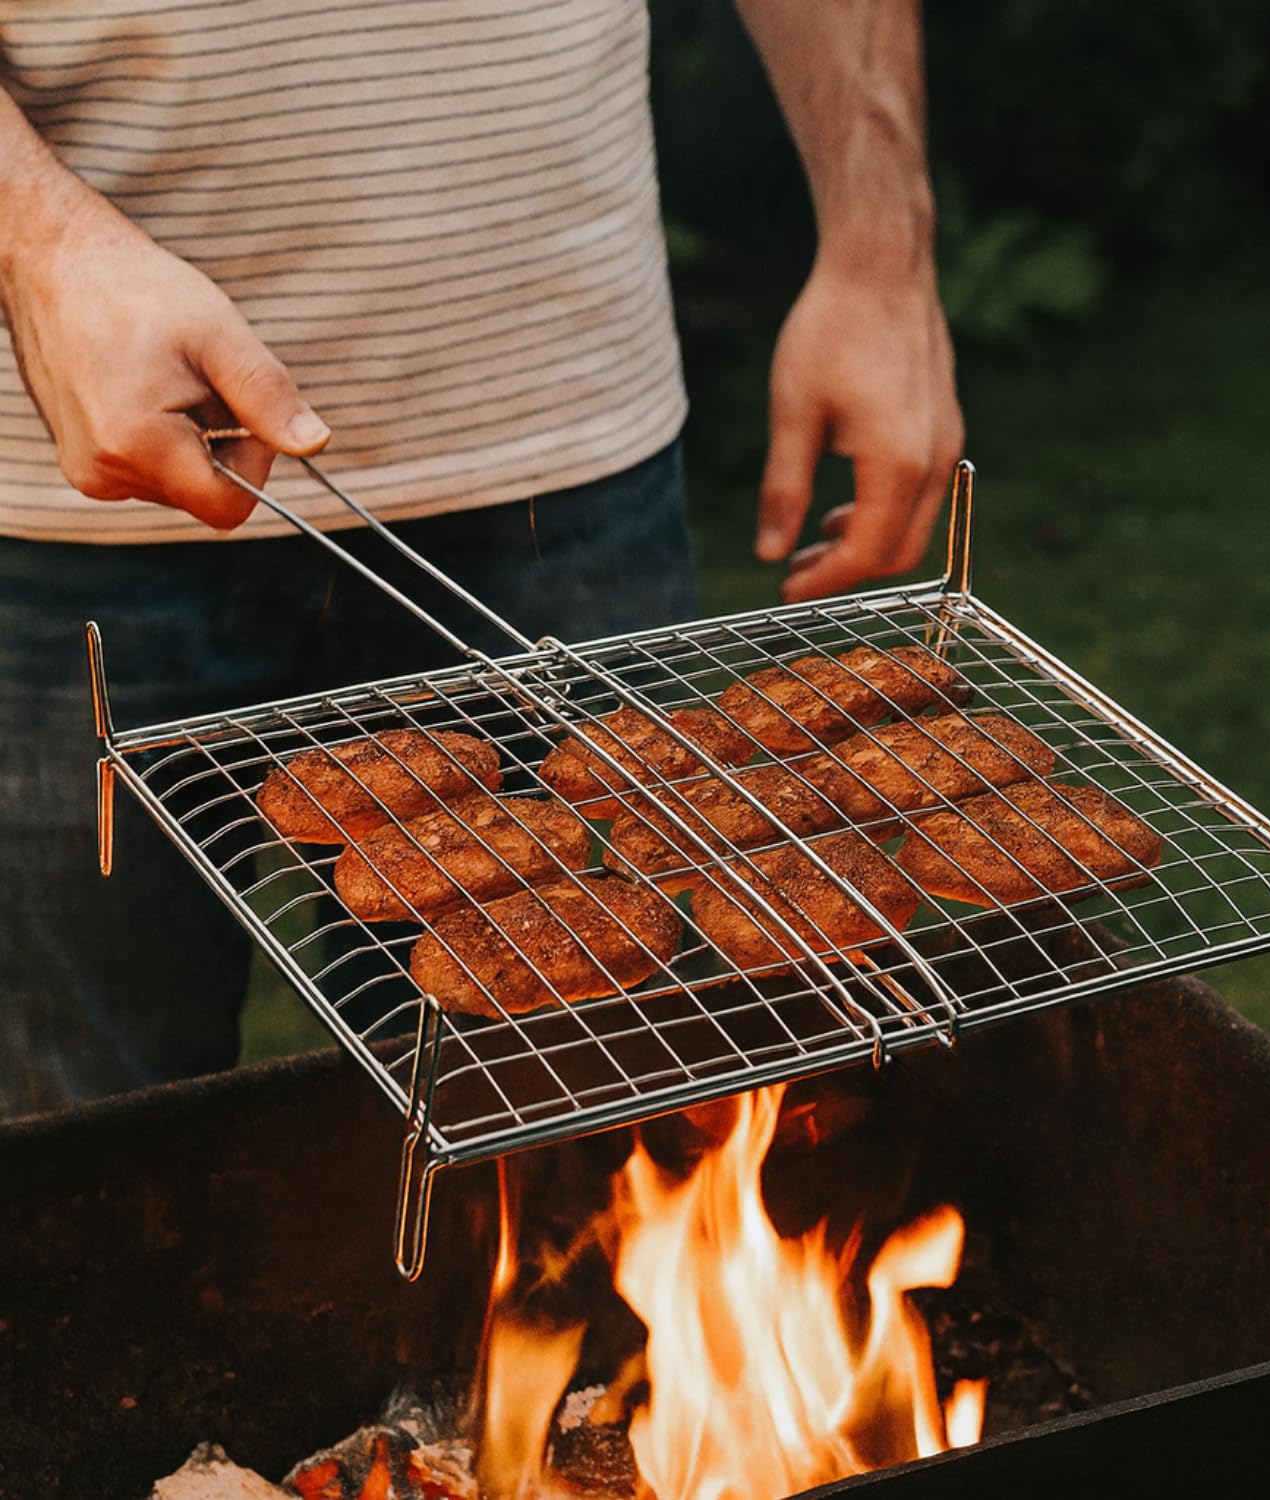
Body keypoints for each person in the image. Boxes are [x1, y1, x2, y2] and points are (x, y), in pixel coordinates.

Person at [0, 0, 963, 1115]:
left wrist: (880, 247)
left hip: (563, 448)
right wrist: (40, 242)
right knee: (90, 1151)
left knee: (600, 1128)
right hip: (66, 510)